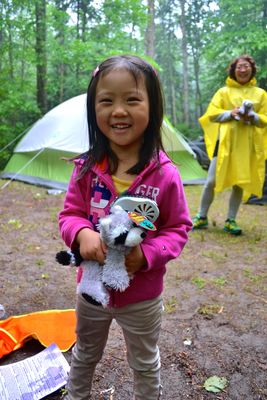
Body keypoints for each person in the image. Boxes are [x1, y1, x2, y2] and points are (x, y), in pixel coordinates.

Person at [58, 54, 192, 400]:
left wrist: (144, 255)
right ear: (93, 109)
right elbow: (69, 215)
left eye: (132, 100)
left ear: (153, 106)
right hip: (92, 292)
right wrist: (82, 233)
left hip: (143, 296)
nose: (118, 111)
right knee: (85, 353)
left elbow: (177, 227)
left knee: (145, 361)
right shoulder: (86, 168)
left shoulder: (165, 174)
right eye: (106, 101)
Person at [193, 54, 267, 235]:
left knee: (239, 183)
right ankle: (201, 216)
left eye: (246, 66)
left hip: (246, 146)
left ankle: (231, 220)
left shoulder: (261, 94)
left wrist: (252, 116)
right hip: (224, 143)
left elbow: (265, 119)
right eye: (239, 67)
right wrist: (231, 113)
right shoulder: (223, 92)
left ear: (252, 70)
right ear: (233, 70)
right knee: (211, 180)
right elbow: (211, 114)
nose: (243, 70)